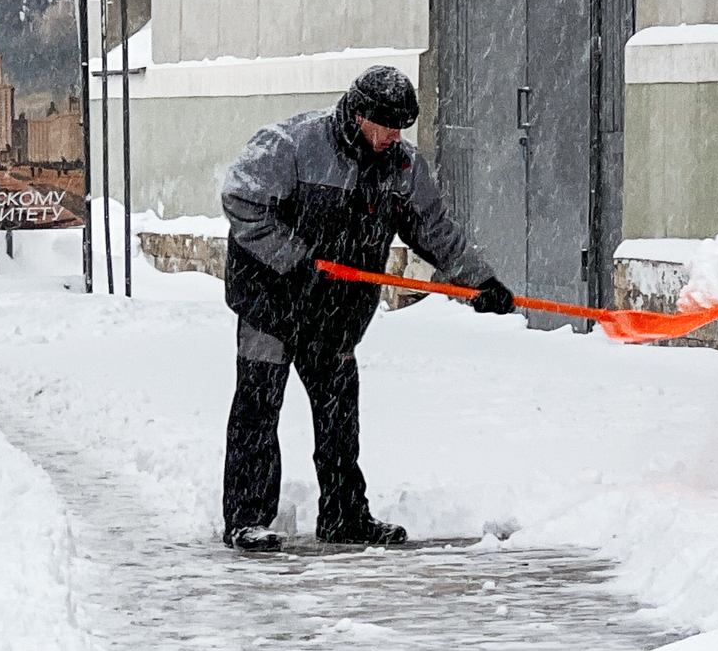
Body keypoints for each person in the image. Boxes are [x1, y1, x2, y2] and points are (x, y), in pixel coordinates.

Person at [218, 65, 514, 552]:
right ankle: (247, 519)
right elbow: (240, 200)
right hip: (273, 301)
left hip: (335, 311)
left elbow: (435, 230)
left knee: (338, 417)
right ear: (360, 116)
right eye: (389, 125)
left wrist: (480, 281)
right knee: (258, 407)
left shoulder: (403, 168)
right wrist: (297, 262)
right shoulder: (291, 146)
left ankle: (344, 516)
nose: (396, 136)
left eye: (403, 126)